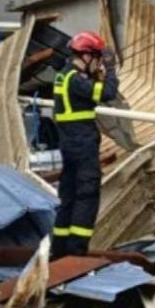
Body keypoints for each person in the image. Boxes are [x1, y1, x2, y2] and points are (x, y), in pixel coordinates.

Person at [51, 31, 118, 259]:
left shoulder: (64, 76)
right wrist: (110, 69)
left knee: (68, 197)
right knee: (87, 197)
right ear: (87, 56)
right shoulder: (76, 79)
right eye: (97, 58)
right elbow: (108, 93)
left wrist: (96, 76)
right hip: (82, 146)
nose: (99, 63)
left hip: (69, 146)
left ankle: (58, 253)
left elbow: (86, 97)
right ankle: (76, 255)